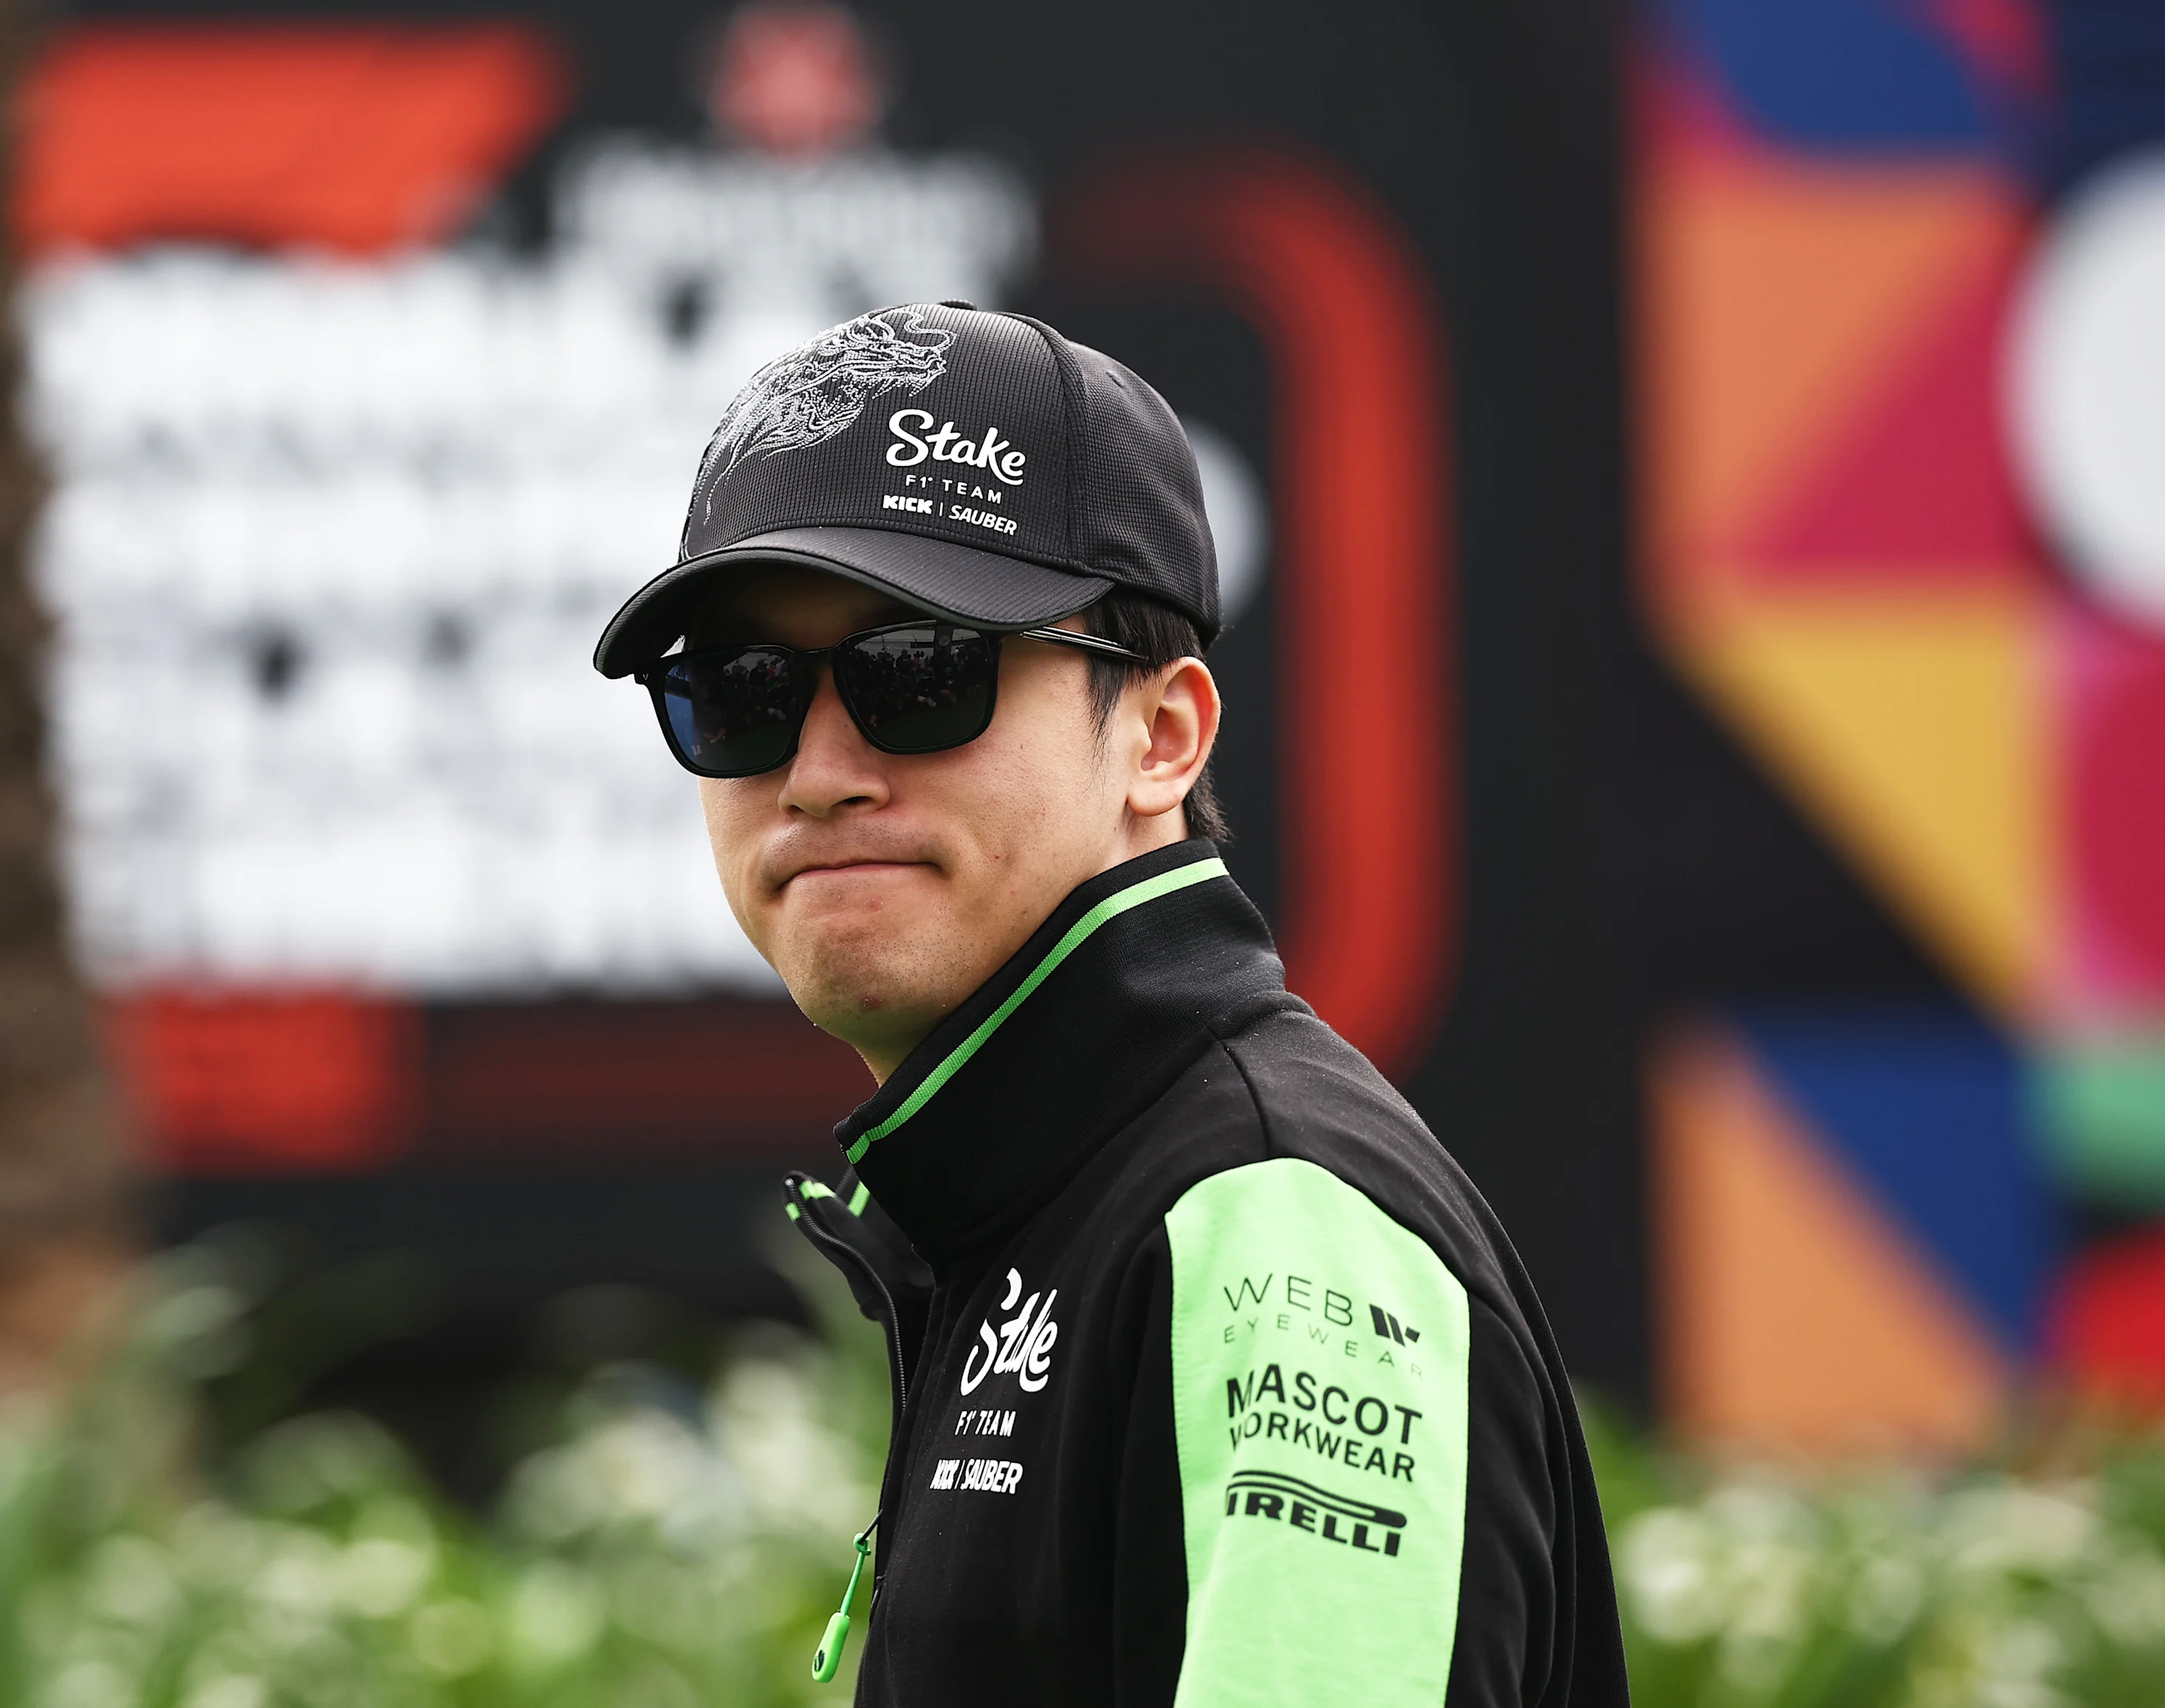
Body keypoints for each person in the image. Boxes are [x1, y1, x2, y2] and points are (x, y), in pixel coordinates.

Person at [592, 301, 1627, 1708]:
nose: (818, 769)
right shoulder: (1049, 1193)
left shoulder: (1269, 1226)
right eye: (741, 691)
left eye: (921, 673)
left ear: (1162, 736)